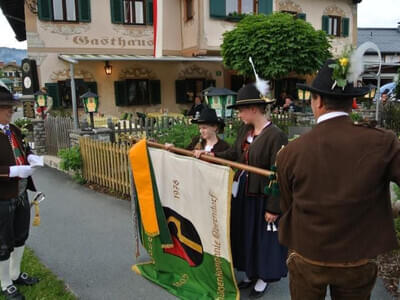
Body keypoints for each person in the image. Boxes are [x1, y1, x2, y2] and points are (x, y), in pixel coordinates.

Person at [276, 59, 400, 300]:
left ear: (318, 101)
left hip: (308, 254)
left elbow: (288, 203)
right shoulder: (382, 142)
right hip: (357, 257)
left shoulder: (291, 152)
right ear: (352, 103)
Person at [195, 83, 288, 298]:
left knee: (263, 237)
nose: (238, 114)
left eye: (240, 110)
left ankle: (263, 276)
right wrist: (213, 156)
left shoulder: (276, 136)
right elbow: (235, 154)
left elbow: (279, 174)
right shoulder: (244, 131)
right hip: (242, 192)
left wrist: (274, 207)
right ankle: (250, 271)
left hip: (262, 197)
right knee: (245, 233)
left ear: (254, 109)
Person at [0, 83, 43, 300]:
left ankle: (15, 274)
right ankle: (5, 282)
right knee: (3, 242)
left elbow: (25, 148)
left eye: (11, 106)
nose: (11, 110)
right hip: (2, 197)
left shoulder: (14, 129)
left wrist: (32, 156)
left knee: (20, 236)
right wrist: (14, 170)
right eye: (6, 107)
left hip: (21, 193)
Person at [166, 108, 230, 153]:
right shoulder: (197, 140)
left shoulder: (224, 146)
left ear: (215, 127)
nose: (201, 131)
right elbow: (185, 153)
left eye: (204, 128)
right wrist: (174, 149)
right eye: (200, 128)